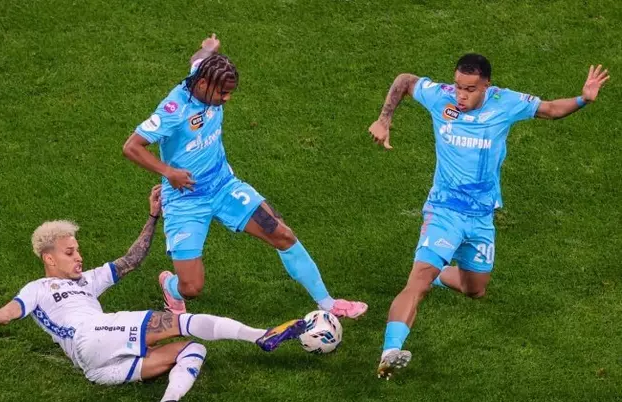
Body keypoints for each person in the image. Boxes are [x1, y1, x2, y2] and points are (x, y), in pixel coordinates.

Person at [0, 185, 307, 402]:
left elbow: (131, 260)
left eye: (78, 250)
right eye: (70, 252)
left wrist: (153, 216)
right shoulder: (38, 288)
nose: (79, 256)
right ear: (49, 258)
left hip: (96, 368)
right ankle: (261, 335)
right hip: (91, 335)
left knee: (192, 349)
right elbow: (5, 315)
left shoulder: (87, 281)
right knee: (178, 322)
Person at [368, 55, 609, 378]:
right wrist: (384, 119)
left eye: (470, 89)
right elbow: (404, 80)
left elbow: (551, 109)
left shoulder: (505, 103)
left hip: (481, 217)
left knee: (475, 289)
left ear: (486, 86)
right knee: (417, 283)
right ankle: (390, 352)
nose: (460, 95)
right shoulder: (440, 96)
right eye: (458, 86)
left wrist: (583, 99)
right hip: (444, 211)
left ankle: (439, 274)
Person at [122, 34, 367, 319]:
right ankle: (170, 287)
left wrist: (208, 48)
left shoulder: (203, 73)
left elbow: (198, 60)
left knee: (282, 234)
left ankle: (328, 303)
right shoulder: (173, 110)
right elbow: (132, 147)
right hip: (185, 200)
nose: (226, 99)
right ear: (203, 84)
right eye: (222, 93)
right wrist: (169, 172)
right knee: (191, 287)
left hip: (224, 186)